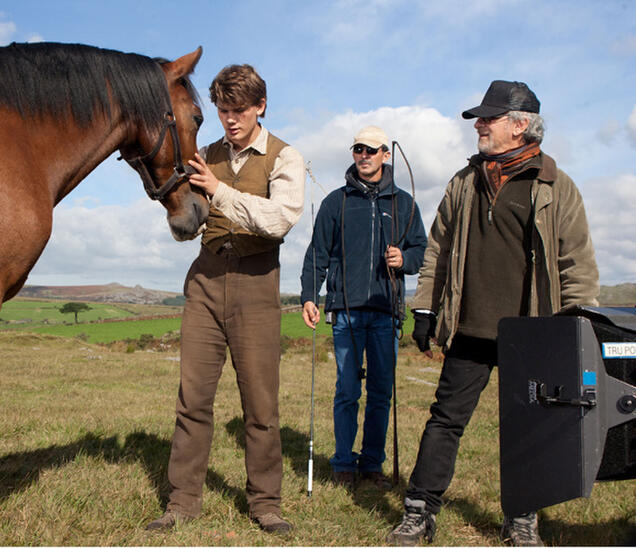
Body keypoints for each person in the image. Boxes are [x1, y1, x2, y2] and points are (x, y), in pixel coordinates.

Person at [386, 80, 599, 546]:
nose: (479, 125)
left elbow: (575, 264)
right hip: (470, 326)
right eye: (479, 118)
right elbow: (438, 249)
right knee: (445, 419)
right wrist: (425, 307)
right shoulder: (464, 181)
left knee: (529, 426)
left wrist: (579, 327)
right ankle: (419, 511)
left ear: (520, 126)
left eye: (489, 118)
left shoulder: (556, 187)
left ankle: (522, 518)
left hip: (534, 332)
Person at [146, 64, 305, 534]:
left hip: (257, 282)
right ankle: (182, 502)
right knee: (192, 399)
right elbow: (187, 216)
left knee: (260, 405)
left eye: (239, 110)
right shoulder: (202, 153)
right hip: (206, 277)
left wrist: (219, 191)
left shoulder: (285, 157)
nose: (229, 119)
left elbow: (279, 220)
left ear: (260, 106)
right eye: (221, 109)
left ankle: (266, 504)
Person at [300, 126, 427, 488]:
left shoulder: (404, 203)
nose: (364, 155)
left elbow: (422, 250)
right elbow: (317, 256)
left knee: (381, 393)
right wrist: (310, 295)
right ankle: (342, 464)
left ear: (386, 154)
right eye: (358, 149)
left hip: (386, 312)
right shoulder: (335, 203)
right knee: (347, 391)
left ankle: (372, 465)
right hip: (347, 311)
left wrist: (405, 258)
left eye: (372, 150)